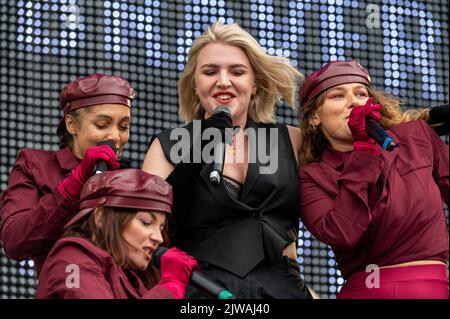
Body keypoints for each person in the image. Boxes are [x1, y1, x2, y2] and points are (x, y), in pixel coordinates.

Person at [142, 22, 311, 299]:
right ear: (195, 85)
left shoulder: (291, 141)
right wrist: (198, 153)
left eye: (237, 71)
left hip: (280, 291)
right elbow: (145, 227)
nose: (223, 81)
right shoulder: (169, 146)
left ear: (254, 84)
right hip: (201, 291)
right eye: (210, 72)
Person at [298, 60, 449, 299]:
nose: (354, 102)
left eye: (360, 94)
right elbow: (342, 233)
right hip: (366, 290)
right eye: (338, 96)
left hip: (432, 287)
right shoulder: (312, 176)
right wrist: (364, 153)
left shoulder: (416, 135)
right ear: (314, 117)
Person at [0, 73, 134, 276]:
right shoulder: (36, 165)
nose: (115, 136)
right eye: (102, 124)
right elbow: (15, 242)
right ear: (71, 125)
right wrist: (75, 183)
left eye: (124, 127)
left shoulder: (131, 179)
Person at [36, 168, 198, 299]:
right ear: (100, 217)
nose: (158, 237)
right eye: (146, 222)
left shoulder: (133, 279)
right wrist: (170, 287)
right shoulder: (71, 258)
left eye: (161, 228)